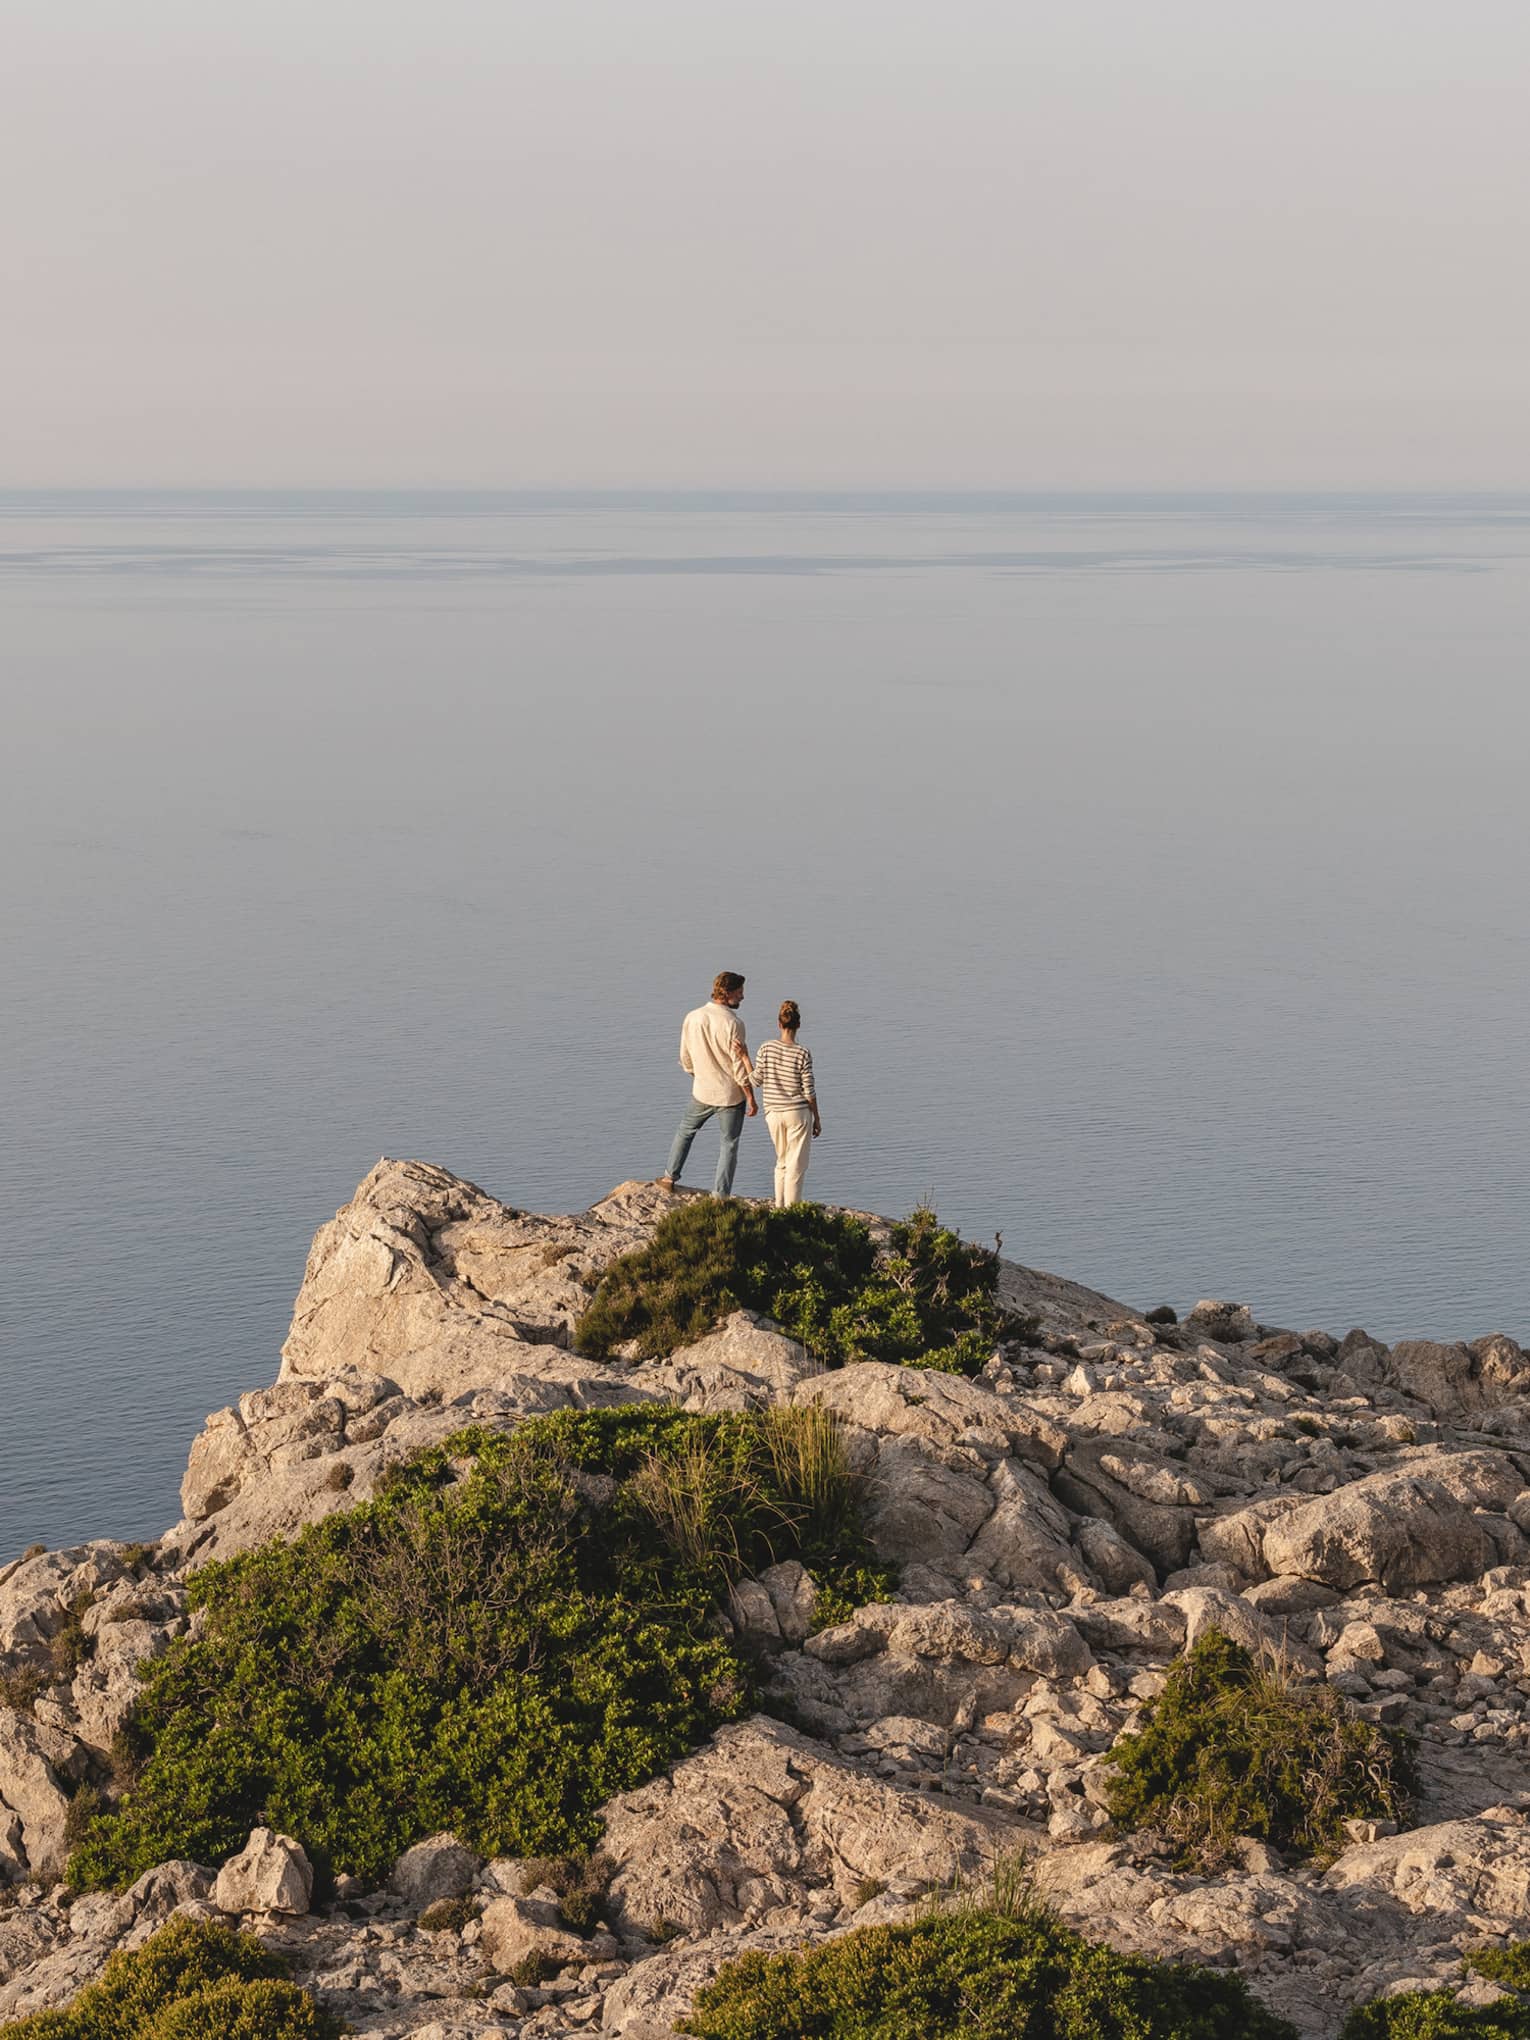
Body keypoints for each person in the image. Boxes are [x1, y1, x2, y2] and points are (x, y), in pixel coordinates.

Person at [658, 971, 757, 1195]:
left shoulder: (692, 1017)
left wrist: (698, 1074)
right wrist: (750, 1097)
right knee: (729, 1145)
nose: (742, 997)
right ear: (728, 992)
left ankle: (669, 1177)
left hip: (702, 1091)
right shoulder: (734, 1023)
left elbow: (685, 1056)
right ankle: (720, 1195)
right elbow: (738, 1067)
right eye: (740, 992)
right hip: (731, 1096)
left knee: (685, 1131)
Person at [752, 999, 821, 1206]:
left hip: (773, 1112)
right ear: (798, 1025)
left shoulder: (766, 1048)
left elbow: (756, 1079)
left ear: (779, 1024)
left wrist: (742, 1058)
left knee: (781, 1162)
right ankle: (792, 1211)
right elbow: (809, 1091)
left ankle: (779, 1207)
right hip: (797, 1113)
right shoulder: (802, 1052)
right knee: (796, 1166)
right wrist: (817, 1118)